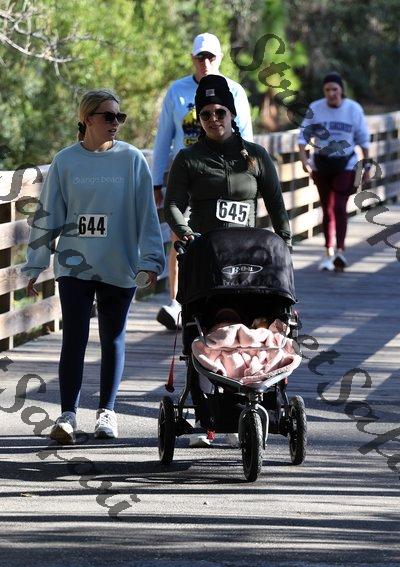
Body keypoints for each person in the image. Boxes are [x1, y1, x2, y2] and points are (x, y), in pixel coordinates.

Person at [22, 89, 165, 444]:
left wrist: (151, 260)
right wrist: (35, 264)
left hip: (119, 263)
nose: (116, 123)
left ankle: (107, 412)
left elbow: (147, 215)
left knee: (112, 339)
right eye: (108, 116)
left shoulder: (132, 159)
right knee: (74, 337)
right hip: (74, 265)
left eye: (119, 117)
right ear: (87, 119)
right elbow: (48, 215)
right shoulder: (65, 161)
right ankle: (67, 415)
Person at [164, 74, 291, 446]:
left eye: (220, 112)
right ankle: (207, 415)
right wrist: (184, 231)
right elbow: (173, 205)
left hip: (248, 261)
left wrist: (284, 244)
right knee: (205, 331)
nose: (213, 119)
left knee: (253, 329)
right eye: (205, 114)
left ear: (231, 114)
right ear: (198, 118)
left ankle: (254, 400)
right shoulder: (189, 159)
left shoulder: (255, 156)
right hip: (206, 259)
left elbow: (277, 206)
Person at [153, 32, 253, 331]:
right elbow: (164, 138)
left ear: (220, 58)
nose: (205, 62)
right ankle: (176, 302)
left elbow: (246, 137)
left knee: (223, 235)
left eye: (210, 56)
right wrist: (156, 180)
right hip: (184, 173)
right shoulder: (177, 91)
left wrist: (248, 176)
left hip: (224, 174)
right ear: (193, 59)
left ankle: (221, 296)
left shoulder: (234, 91)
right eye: (200, 57)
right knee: (179, 234)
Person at [298, 72, 371, 271]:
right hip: (321, 163)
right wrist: (304, 160)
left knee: (339, 206)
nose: (331, 93)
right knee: (326, 208)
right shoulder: (316, 108)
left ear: (341, 90)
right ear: (324, 91)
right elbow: (303, 137)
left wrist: (367, 166)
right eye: (327, 90)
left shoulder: (353, 109)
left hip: (345, 163)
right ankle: (328, 251)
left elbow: (364, 140)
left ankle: (340, 251)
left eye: (335, 89)